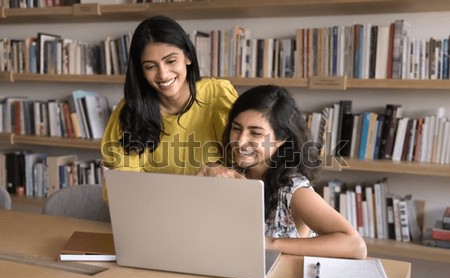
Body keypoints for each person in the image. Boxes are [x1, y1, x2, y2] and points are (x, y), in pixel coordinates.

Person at [199, 85, 367, 259]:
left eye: (255, 133)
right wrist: (203, 173)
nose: (240, 141)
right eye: (236, 128)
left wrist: (268, 243)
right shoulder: (231, 174)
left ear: (281, 139)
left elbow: (356, 246)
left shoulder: (294, 190)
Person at [101, 15, 238, 176]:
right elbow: (123, 185)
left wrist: (216, 170)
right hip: (149, 201)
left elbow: (245, 162)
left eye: (171, 61)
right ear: (140, 71)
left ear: (187, 56)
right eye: (150, 66)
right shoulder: (130, 111)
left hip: (216, 199)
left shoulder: (218, 95)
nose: (163, 74)